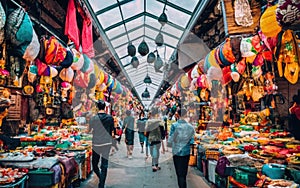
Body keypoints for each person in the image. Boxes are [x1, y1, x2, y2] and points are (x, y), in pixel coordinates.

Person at [88, 100, 117, 188]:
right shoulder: (110, 118)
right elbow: (113, 131)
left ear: (97, 107)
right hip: (107, 143)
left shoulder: (93, 118)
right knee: (104, 165)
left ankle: (101, 180)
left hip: (96, 143)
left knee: (94, 164)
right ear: (104, 107)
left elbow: (88, 130)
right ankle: (102, 183)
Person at [168, 108, 195, 188]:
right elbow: (192, 141)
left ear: (178, 115)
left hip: (176, 152)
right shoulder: (190, 127)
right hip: (186, 152)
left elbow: (170, 139)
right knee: (184, 173)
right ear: (186, 115)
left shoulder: (174, 125)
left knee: (179, 174)